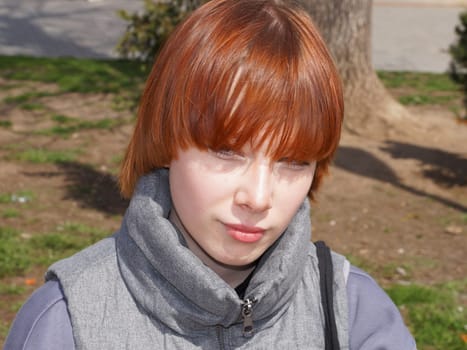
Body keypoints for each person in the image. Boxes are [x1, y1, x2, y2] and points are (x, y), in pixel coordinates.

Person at [5, 0, 417, 349]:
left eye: (293, 161)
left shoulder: (355, 315)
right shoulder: (66, 324)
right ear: (167, 140)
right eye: (227, 151)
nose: (258, 198)